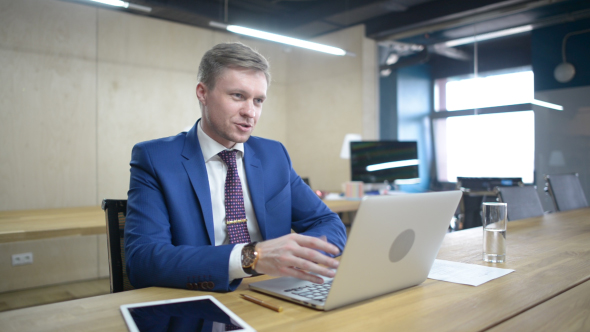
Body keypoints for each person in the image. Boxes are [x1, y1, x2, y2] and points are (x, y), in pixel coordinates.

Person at [125, 42, 347, 292]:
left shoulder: (274, 155)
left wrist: (297, 256)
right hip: (200, 298)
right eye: (238, 96)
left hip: (272, 292)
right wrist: (251, 257)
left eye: (258, 100)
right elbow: (142, 261)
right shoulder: (155, 158)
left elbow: (329, 223)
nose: (250, 112)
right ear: (202, 93)